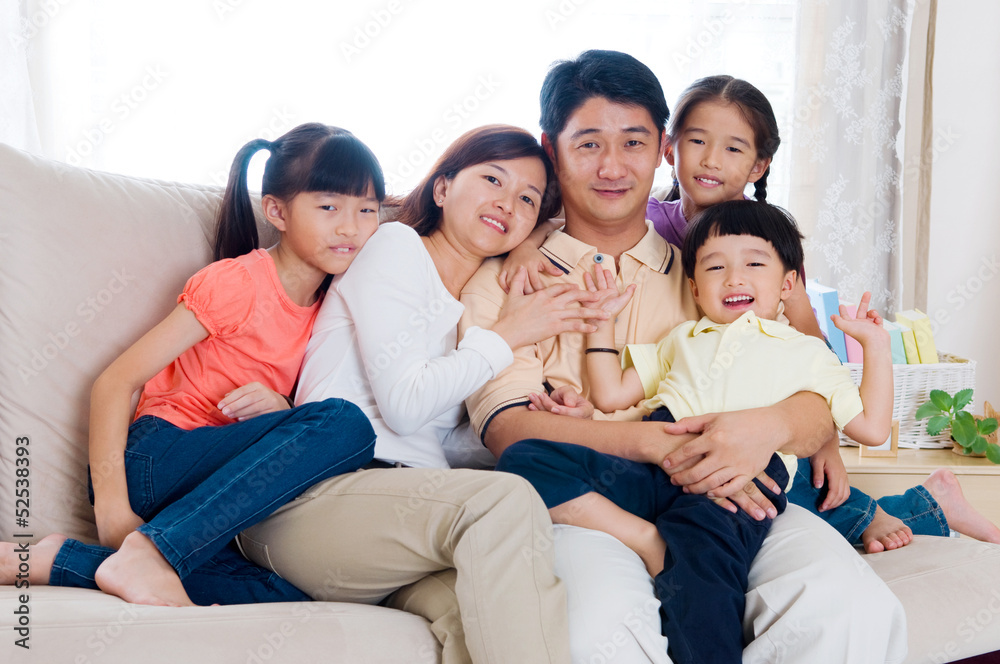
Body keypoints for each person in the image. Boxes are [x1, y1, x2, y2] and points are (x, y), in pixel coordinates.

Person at [460, 50, 907, 663]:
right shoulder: (507, 283)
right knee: (600, 628)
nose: (613, 167)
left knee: (851, 607)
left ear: (662, 149)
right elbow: (509, 431)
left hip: (733, 489)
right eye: (588, 144)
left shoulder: (713, 274)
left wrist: (769, 427)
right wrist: (657, 445)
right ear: (552, 147)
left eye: (634, 142)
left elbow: (812, 387)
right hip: (588, 510)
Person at [501, 72, 1000, 553]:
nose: (711, 160)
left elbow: (811, 344)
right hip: (689, 402)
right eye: (697, 141)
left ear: (758, 167)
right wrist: (527, 244)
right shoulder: (648, 216)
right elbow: (578, 221)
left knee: (789, 487)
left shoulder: (764, 239)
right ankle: (916, 506)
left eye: (734, 148)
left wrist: (822, 437)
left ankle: (908, 510)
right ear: (668, 149)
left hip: (764, 400)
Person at [236, 124, 606, 663]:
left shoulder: (475, 305)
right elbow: (404, 409)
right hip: (310, 499)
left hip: (396, 516)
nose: (507, 203)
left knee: (486, 621)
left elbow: (440, 441)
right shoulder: (394, 246)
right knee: (505, 502)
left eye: (526, 198)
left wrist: (539, 412)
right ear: (441, 189)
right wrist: (511, 334)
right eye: (492, 180)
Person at [0, 123, 385, 607]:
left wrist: (282, 405)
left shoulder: (335, 306)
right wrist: (114, 508)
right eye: (329, 207)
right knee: (347, 424)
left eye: (368, 210)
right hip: (156, 460)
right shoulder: (239, 283)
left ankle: (64, 560)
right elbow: (114, 383)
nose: (350, 227)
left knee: (286, 598)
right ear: (277, 211)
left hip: (200, 494)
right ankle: (143, 549)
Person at [496, 200, 894, 663]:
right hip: (654, 458)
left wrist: (876, 347)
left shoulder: (808, 354)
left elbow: (871, 427)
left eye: (754, 263)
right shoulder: (683, 337)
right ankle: (650, 543)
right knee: (526, 460)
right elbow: (609, 394)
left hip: (735, 485)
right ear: (695, 287)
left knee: (702, 586)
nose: (734, 277)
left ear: (788, 283)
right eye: (716, 266)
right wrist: (601, 322)